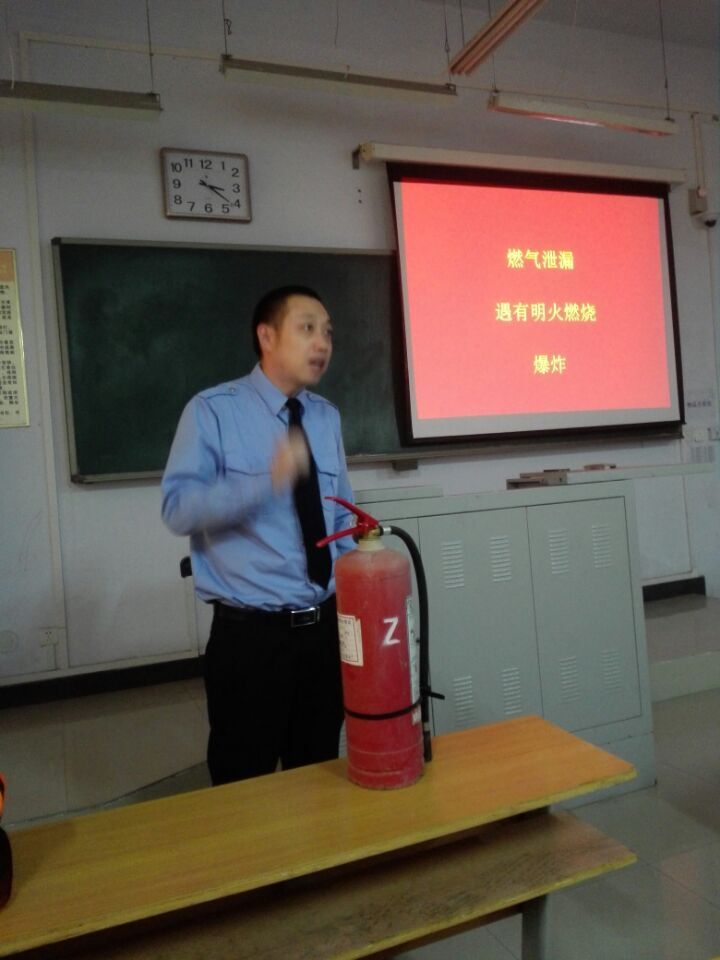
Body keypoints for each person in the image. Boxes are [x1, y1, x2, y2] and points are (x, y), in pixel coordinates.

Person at [161, 285, 354, 785]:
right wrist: (264, 483)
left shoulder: (326, 417)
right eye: (307, 328)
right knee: (244, 786)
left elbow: (340, 521)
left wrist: (360, 592)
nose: (322, 343)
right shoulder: (212, 411)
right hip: (251, 641)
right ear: (266, 336)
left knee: (319, 777)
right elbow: (178, 509)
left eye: (328, 332)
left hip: (323, 634)